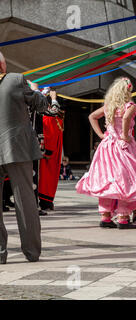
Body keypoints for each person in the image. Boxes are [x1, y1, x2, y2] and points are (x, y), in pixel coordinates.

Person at [76, 77, 136, 229]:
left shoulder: (110, 106)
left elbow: (92, 116)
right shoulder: (130, 105)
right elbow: (127, 117)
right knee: (126, 180)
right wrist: (125, 135)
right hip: (123, 146)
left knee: (108, 181)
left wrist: (102, 135)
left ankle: (106, 216)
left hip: (107, 146)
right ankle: (123, 217)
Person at [0, 51, 50, 264]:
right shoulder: (15, 80)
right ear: (3, 65)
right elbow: (41, 105)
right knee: (25, 201)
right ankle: (31, 251)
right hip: (16, 148)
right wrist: (38, 91)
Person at [38, 91, 65, 211]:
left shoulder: (52, 116)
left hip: (50, 151)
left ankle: (46, 201)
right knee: (45, 178)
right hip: (48, 151)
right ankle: (45, 202)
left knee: (47, 178)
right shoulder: (50, 116)